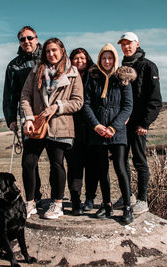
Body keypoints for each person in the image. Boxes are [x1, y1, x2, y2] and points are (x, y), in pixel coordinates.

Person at [20, 38, 84, 219]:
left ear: (62, 50)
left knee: (57, 164)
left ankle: (57, 204)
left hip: (60, 125)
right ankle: (30, 203)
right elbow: (25, 96)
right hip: (38, 124)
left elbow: (78, 102)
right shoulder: (36, 71)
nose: (51, 54)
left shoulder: (73, 73)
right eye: (48, 51)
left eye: (54, 50)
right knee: (28, 163)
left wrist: (57, 107)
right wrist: (28, 118)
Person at [83, 43, 135, 224]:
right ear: (99, 60)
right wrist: (96, 126)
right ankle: (106, 205)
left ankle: (128, 207)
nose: (106, 61)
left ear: (115, 59)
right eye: (104, 58)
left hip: (117, 132)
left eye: (110, 58)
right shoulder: (93, 78)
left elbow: (128, 106)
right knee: (101, 170)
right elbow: (86, 104)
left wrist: (114, 127)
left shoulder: (122, 78)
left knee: (120, 168)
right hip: (97, 132)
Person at [115, 32, 162, 214]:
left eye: (129, 44)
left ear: (137, 44)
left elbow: (155, 100)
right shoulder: (122, 69)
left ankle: (143, 199)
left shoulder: (148, 66)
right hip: (122, 123)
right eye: (123, 44)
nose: (126, 47)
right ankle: (129, 196)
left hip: (138, 124)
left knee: (139, 161)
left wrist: (145, 123)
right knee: (121, 161)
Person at [2, 26, 43, 205]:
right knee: (29, 162)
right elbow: (9, 94)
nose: (26, 42)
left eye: (29, 38)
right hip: (28, 119)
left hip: (52, 116)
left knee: (58, 160)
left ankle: (62, 201)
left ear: (36, 38)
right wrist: (11, 119)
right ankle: (36, 199)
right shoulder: (14, 65)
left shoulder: (49, 56)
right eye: (22, 39)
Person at [65, 48, 95, 215]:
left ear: (87, 59)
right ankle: (75, 200)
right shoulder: (67, 76)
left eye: (82, 58)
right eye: (75, 58)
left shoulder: (95, 76)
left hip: (92, 128)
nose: (79, 61)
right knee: (74, 166)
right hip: (72, 127)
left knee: (92, 167)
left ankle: (90, 198)